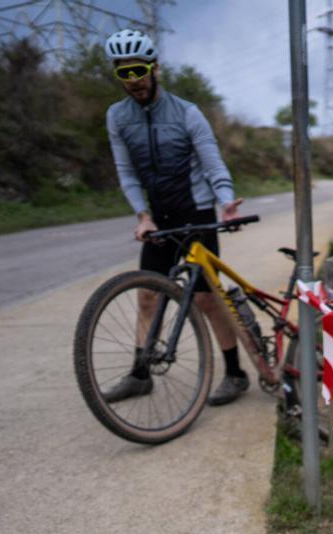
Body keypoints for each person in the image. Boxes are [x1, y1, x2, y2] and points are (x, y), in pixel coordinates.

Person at [101, 28, 250, 407]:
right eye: (123, 73)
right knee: (149, 296)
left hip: (196, 213)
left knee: (205, 298)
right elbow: (127, 172)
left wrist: (226, 201)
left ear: (154, 68)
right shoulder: (117, 117)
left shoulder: (187, 113)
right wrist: (143, 216)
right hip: (160, 218)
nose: (133, 81)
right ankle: (140, 375)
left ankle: (235, 374)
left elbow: (213, 162)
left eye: (137, 70)